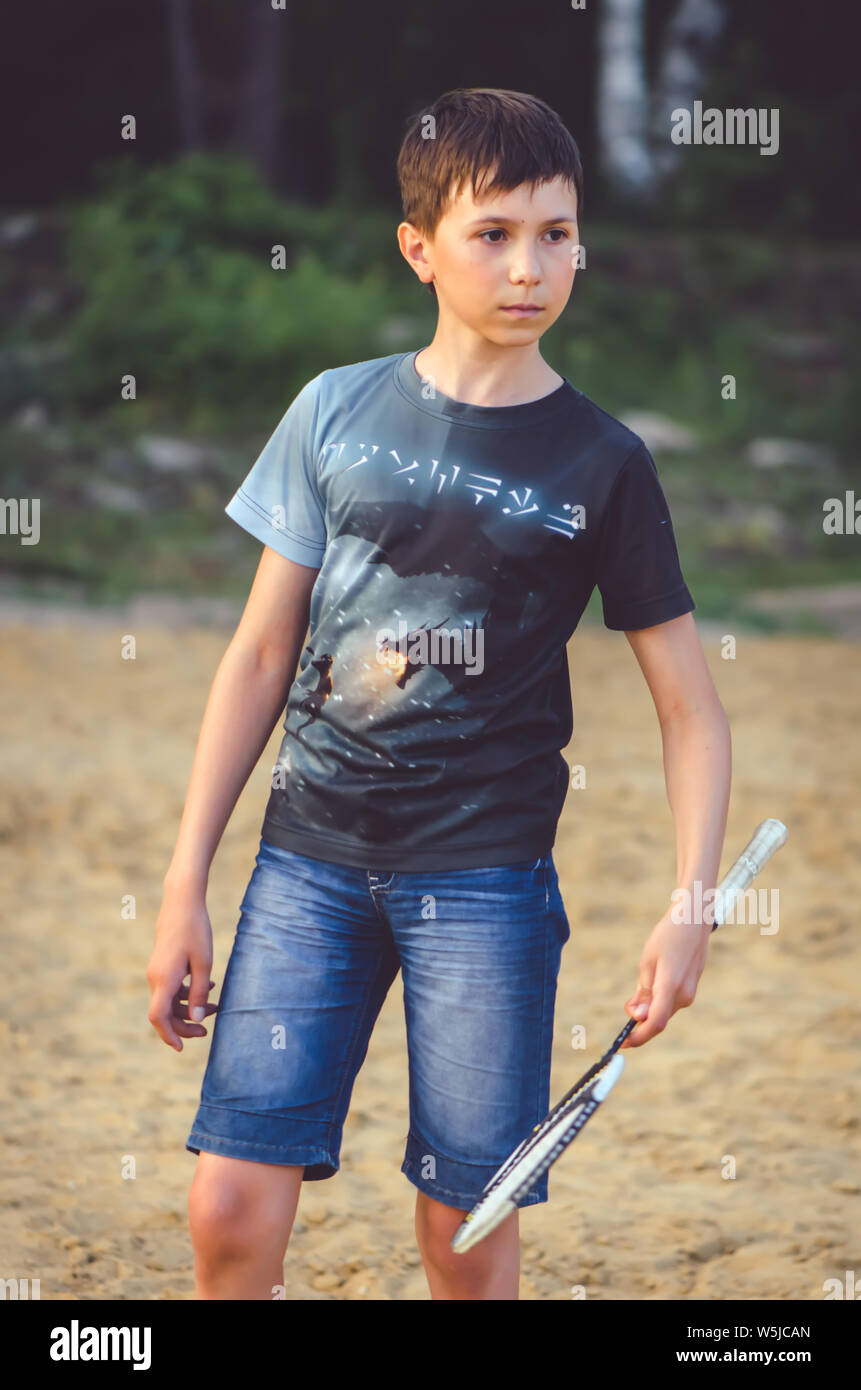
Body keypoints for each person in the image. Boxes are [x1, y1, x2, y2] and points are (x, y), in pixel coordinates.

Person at [146, 86, 731, 1302]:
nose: (532, 266)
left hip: (487, 887)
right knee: (227, 1205)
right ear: (420, 249)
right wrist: (185, 879)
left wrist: (690, 907)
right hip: (306, 865)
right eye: (496, 233)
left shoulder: (606, 463)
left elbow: (690, 708)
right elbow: (259, 655)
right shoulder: (333, 409)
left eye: (558, 233)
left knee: (463, 1231)